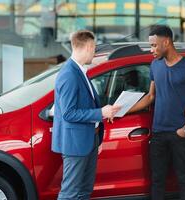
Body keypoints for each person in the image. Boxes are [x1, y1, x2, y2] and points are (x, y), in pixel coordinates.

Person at [128, 25, 185, 200]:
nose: (152, 50)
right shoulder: (155, 65)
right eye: (151, 46)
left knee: (183, 179)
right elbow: (150, 96)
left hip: (180, 133)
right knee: (157, 181)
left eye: (154, 45)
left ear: (166, 42)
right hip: (158, 133)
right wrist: (123, 111)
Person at [52, 30, 120, 200]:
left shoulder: (79, 71)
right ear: (89, 47)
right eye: (94, 47)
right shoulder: (69, 74)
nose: (94, 51)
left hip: (89, 140)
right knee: (70, 193)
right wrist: (100, 112)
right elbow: (68, 113)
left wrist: (103, 115)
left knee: (84, 191)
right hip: (76, 144)